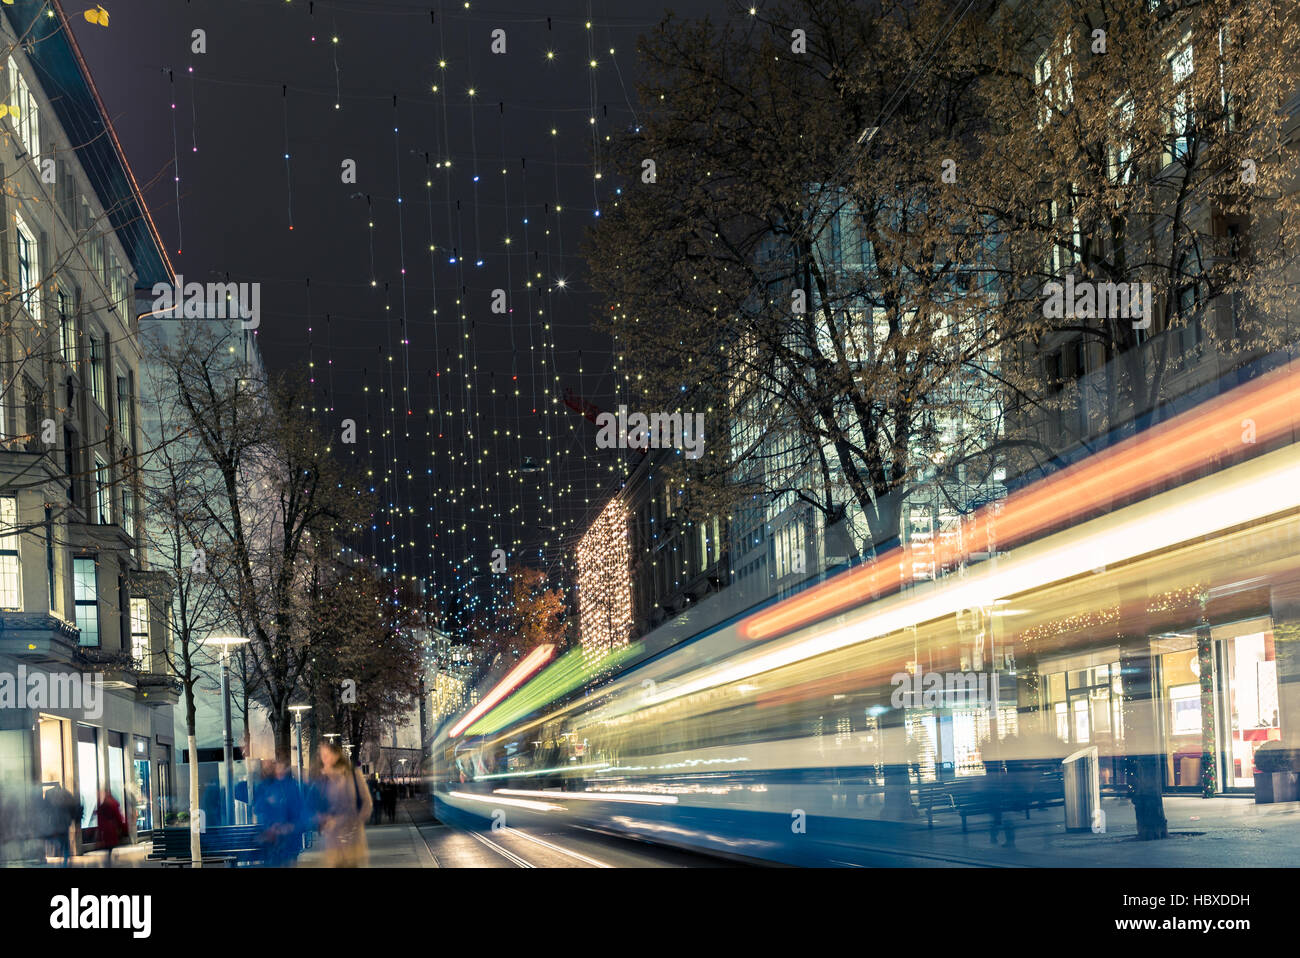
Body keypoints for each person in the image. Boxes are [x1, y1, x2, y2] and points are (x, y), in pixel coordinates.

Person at [315, 742, 371, 867]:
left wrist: (357, 822)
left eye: (327, 755)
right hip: (332, 841)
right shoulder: (322, 779)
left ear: (336, 755)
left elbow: (366, 802)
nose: (324, 758)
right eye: (322, 755)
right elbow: (315, 805)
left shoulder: (353, 774)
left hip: (352, 838)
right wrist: (322, 819)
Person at [253, 758, 306, 867]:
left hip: (288, 836)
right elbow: (257, 809)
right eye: (277, 766)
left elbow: (298, 809)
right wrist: (267, 801)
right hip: (273, 836)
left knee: (288, 861)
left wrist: (290, 825)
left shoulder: (291, 785)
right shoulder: (265, 785)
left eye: (282, 766)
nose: (280, 769)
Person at [43, 786, 79, 866]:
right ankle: (65, 859)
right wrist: (74, 819)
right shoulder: (66, 793)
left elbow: (46, 809)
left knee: (58, 840)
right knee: (65, 840)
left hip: (55, 822)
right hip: (65, 822)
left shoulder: (49, 794)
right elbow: (73, 808)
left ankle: (60, 855)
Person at [93, 789, 127, 867]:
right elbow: (118, 817)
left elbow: (100, 816)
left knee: (108, 844)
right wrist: (121, 827)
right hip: (112, 828)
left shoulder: (104, 804)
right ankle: (111, 856)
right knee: (111, 844)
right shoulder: (113, 803)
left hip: (106, 829)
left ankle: (109, 857)